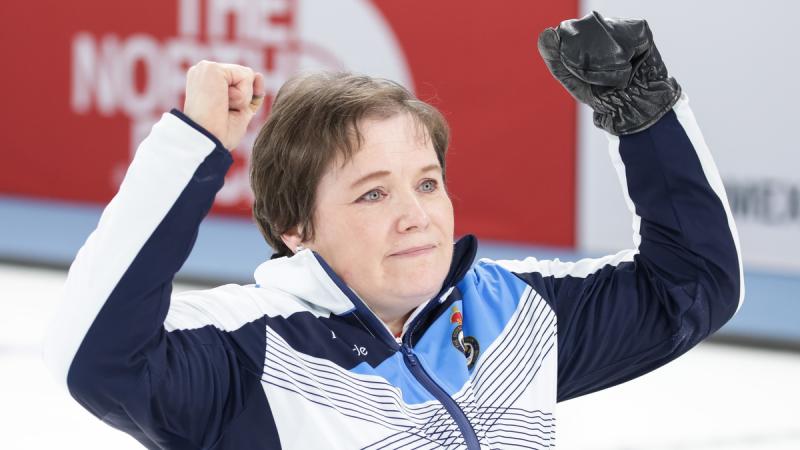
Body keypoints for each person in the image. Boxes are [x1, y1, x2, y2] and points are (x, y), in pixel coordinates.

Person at [42, 12, 743, 450]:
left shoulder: (511, 315)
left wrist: (643, 115)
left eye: (427, 182)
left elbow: (691, 285)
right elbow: (94, 359)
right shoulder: (249, 355)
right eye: (373, 192)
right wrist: (192, 146)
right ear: (294, 226)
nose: (417, 215)